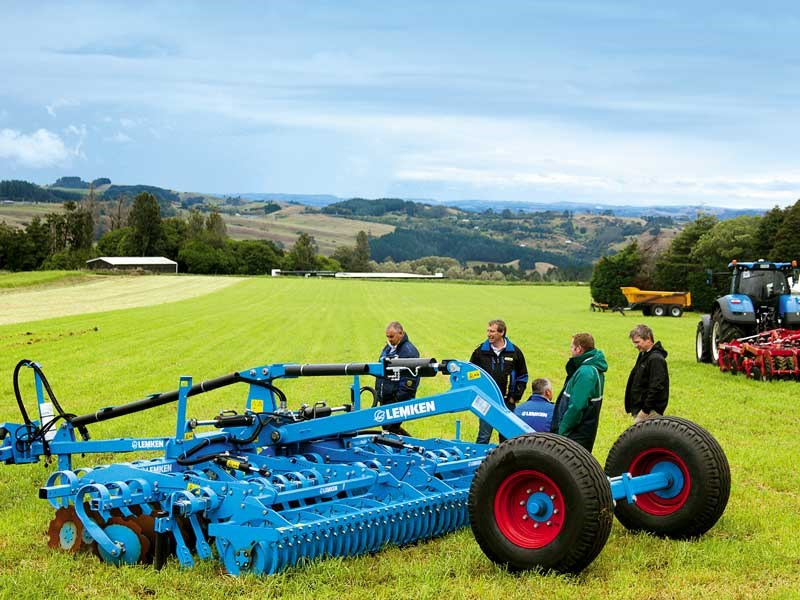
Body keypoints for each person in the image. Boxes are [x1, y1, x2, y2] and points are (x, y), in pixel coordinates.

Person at [470, 319, 528, 444]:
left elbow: (522, 376)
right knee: (483, 437)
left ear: (502, 333)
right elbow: (471, 376)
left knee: (508, 439)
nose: (489, 334)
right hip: (486, 402)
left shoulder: (515, 353)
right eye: (488, 331)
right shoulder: (480, 352)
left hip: (507, 402)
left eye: (492, 331)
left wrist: (514, 397)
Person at [550, 332, 607, 452]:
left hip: (575, 435)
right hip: (581, 434)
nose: (570, 350)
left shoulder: (585, 372)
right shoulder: (592, 367)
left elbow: (576, 406)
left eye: (571, 347)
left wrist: (562, 432)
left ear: (579, 349)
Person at [375, 321, 420, 435]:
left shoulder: (409, 351)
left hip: (395, 398)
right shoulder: (388, 348)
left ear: (401, 333)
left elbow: (410, 379)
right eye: (387, 336)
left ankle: (413, 447)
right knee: (387, 427)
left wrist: (399, 397)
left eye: (392, 336)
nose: (389, 339)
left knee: (391, 428)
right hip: (385, 396)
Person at [625, 324, 669, 424]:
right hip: (642, 409)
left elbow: (657, 387)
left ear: (648, 339)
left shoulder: (656, 359)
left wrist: (645, 411)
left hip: (650, 412)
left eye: (637, 342)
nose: (635, 346)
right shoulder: (643, 354)